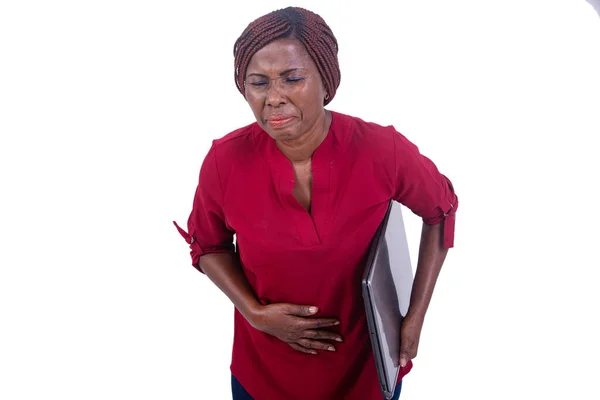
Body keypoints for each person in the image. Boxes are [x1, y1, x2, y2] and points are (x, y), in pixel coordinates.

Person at [174, 6, 458, 400]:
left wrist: (415, 317)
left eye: (292, 78)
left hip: (365, 368)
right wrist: (256, 315)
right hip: (264, 372)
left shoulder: (382, 151)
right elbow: (209, 246)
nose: (274, 98)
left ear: (327, 80)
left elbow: (440, 210)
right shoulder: (225, 161)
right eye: (258, 83)